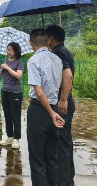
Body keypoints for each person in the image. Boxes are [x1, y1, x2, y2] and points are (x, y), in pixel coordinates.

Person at [27, 28, 65, 186]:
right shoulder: (57, 59)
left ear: (31, 43)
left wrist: (50, 113)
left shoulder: (33, 61)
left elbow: (39, 92)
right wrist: (54, 111)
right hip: (54, 109)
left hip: (40, 112)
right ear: (48, 41)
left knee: (37, 158)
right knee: (51, 156)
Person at [46, 25, 75, 186]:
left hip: (62, 103)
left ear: (50, 39)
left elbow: (68, 75)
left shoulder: (58, 53)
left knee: (61, 143)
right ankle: (68, 177)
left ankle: (64, 181)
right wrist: (69, 98)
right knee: (66, 141)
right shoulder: (66, 51)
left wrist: (63, 99)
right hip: (66, 101)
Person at [0, 42, 24, 149]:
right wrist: (2, 68)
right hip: (5, 91)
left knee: (15, 116)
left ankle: (16, 138)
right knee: (7, 114)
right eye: (7, 49)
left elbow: (18, 76)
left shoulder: (19, 62)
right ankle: (9, 136)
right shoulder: (4, 61)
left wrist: (8, 68)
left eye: (11, 50)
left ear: (16, 51)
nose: (8, 52)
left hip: (16, 92)